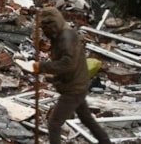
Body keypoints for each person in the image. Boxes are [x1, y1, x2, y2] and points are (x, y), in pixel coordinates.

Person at [34, 7, 111, 144]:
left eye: (47, 26)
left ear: (55, 24)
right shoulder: (59, 36)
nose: (45, 31)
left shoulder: (66, 37)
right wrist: (54, 78)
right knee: (86, 118)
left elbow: (68, 63)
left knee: (54, 123)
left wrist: (42, 67)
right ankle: (105, 141)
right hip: (75, 83)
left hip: (74, 88)